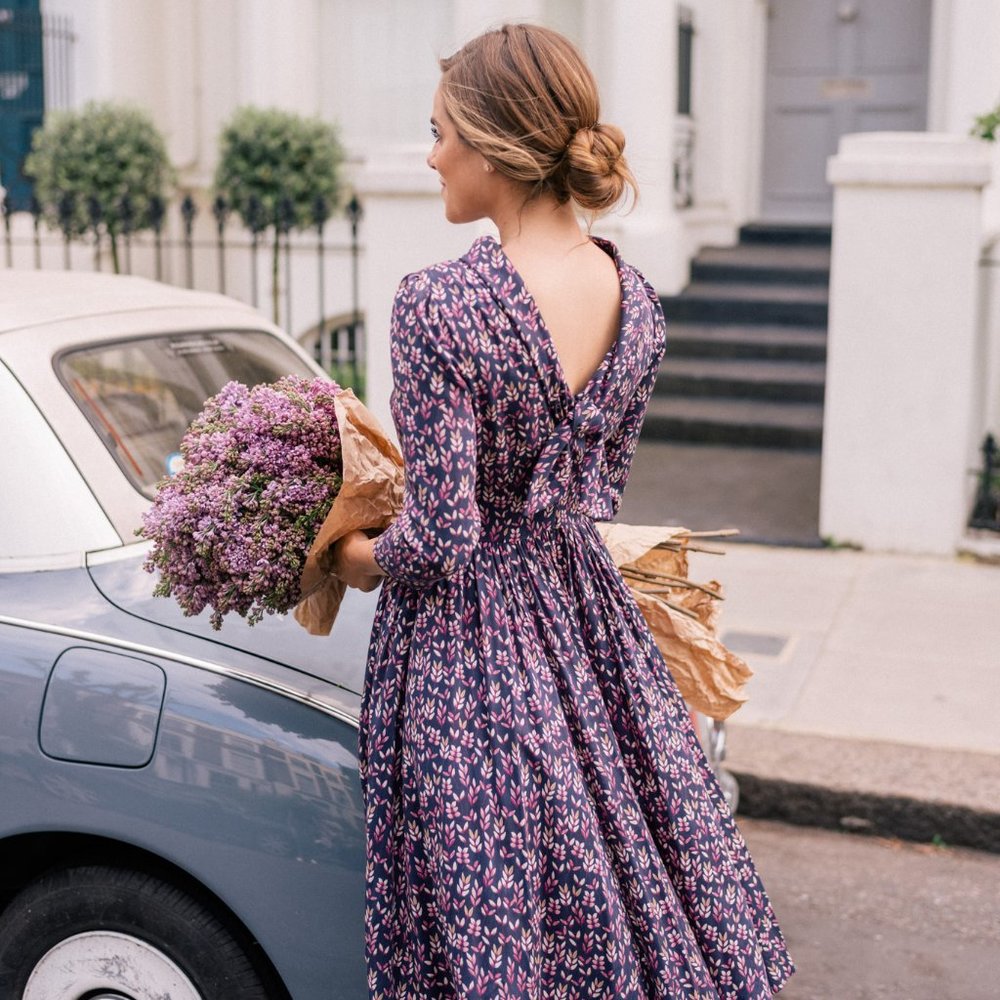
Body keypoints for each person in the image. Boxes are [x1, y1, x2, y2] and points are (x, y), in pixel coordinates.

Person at [332, 23, 794, 999]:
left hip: (470, 654)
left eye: (441, 130)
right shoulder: (637, 296)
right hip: (585, 619)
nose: (430, 155)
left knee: (491, 917)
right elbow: (595, 494)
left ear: (496, 143)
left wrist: (354, 555)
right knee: (609, 877)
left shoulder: (439, 305)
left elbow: (446, 538)